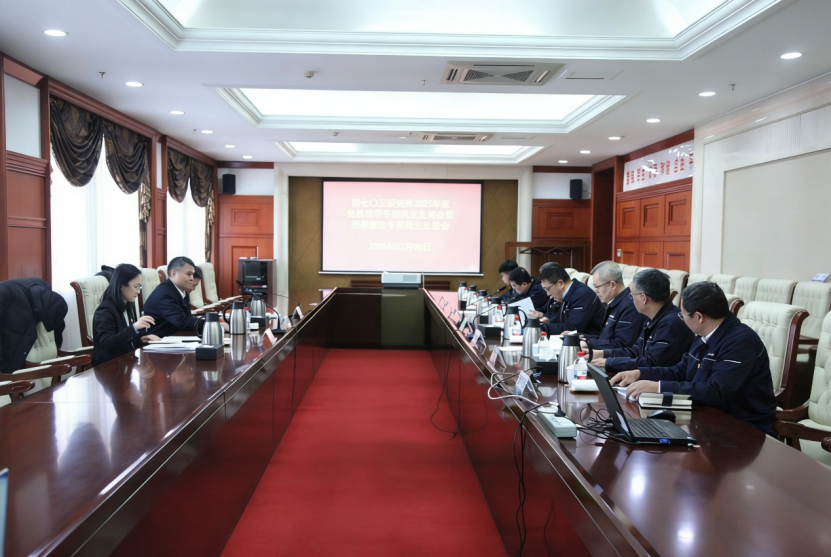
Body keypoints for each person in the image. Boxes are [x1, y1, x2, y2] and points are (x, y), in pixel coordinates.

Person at [610, 281, 778, 436]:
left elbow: (716, 391)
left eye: (683, 314)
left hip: (742, 428)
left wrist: (659, 387)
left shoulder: (740, 342)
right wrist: (639, 373)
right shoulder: (704, 334)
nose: (682, 319)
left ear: (699, 317)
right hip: (705, 417)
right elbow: (681, 371)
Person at [591, 269, 693, 373]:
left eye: (632, 295)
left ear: (644, 298)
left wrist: (610, 362)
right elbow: (636, 351)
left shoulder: (671, 324)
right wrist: (602, 353)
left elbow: (652, 363)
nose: (631, 299)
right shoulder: (652, 317)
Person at [91, 264, 160, 366]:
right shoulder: (105, 310)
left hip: (125, 362)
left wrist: (140, 340)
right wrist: (134, 328)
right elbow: (107, 344)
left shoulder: (127, 304)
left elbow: (124, 338)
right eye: (136, 287)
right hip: (108, 366)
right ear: (121, 286)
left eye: (140, 287)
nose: (138, 292)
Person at [582, 261, 645, 350]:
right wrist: (581, 337)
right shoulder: (615, 302)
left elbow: (621, 345)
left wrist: (588, 343)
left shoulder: (630, 306)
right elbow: (605, 338)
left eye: (597, 286)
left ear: (612, 285)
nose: (596, 291)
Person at [538, 263, 604, 335]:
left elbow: (571, 328)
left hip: (590, 339)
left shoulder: (582, 295)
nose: (548, 294)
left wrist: (541, 327)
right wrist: (549, 321)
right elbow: (563, 318)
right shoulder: (568, 293)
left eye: (547, 289)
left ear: (560, 283)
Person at [142, 256, 201, 337]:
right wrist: (211, 323)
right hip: (159, 340)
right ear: (173, 273)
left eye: (193, 275)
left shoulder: (181, 290)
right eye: (189, 274)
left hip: (175, 335)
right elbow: (182, 321)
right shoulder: (164, 294)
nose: (192, 278)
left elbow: (187, 317)